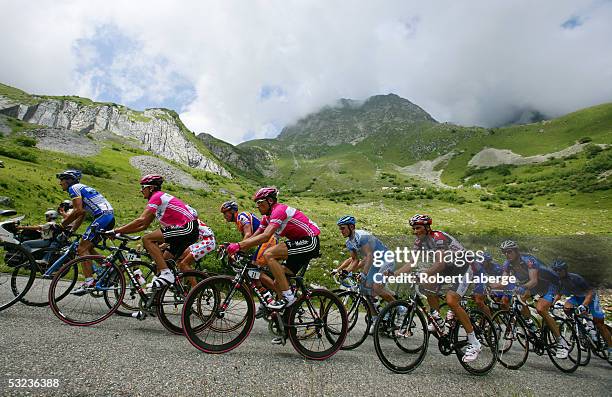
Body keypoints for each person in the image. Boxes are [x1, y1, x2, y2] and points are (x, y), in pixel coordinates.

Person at [394, 214, 481, 362]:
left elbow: (439, 264)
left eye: (418, 228)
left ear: (427, 228)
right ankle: (437, 319)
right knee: (426, 283)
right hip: (448, 268)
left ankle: (474, 343)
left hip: (464, 266)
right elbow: (411, 264)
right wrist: (392, 274)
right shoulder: (419, 242)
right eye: (414, 228)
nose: (415, 231)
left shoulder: (438, 237)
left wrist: (425, 273)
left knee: (451, 300)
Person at [227, 187, 320, 309]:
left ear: (270, 201)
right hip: (298, 242)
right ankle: (287, 315)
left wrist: (239, 245)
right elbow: (257, 235)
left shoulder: (279, 210)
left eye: (260, 203)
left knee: (269, 253)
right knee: (278, 281)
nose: (257, 206)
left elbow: (266, 236)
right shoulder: (267, 217)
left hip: (310, 240)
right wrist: (239, 248)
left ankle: (289, 298)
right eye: (256, 203)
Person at [109, 175, 198, 289]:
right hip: (186, 230)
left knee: (147, 239)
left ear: (151, 188)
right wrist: (120, 232)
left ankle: (167, 275)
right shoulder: (158, 199)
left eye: (143, 187)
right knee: (163, 262)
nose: (141, 190)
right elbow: (144, 225)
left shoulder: (157, 196)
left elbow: (140, 220)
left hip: (187, 227)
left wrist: (116, 230)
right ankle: (160, 296)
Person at [499, 240, 567, 359]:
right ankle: (530, 323)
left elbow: (534, 281)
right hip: (534, 285)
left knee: (540, 309)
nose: (506, 254)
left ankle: (561, 343)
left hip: (549, 284)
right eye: (504, 252)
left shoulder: (528, 260)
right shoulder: (507, 263)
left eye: (509, 252)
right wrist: (488, 286)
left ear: (516, 251)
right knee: (520, 300)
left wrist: (522, 287)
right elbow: (503, 282)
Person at [56, 169, 115, 295]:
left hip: (103, 216)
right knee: (88, 247)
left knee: (81, 249)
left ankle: (89, 282)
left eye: (61, 180)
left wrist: (62, 225)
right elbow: (81, 214)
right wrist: (71, 230)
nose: (60, 183)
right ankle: (109, 268)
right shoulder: (82, 188)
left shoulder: (74, 188)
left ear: (69, 180)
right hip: (107, 216)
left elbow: (77, 211)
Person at [220, 200, 276, 318]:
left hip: (268, 240)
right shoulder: (239, 222)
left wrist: (237, 251)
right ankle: (265, 298)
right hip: (263, 241)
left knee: (255, 268)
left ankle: (278, 291)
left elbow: (248, 236)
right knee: (252, 271)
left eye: (226, 213)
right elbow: (245, 242)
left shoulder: (242, 216)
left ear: (233, 211)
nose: (224, 216)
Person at [551, 259, 611, 363]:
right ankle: (580, 326)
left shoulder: (575, 278)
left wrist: (584, 305)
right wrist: (552, 303)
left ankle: (610, 348)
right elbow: (558, 294)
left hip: (590, 297)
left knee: (599, 323)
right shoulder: (558, 281)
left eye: (559, 270)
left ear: (565, 270)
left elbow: (590, 292)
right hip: (577, 297)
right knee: (566, 307)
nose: (557, 272)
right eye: (555, 270)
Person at [471, 252, 511, 317]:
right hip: (492, 286)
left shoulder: (497, 269)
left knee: (504, 302)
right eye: (480, 261)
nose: (481, 263)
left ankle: (510, 321)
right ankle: (490, 318)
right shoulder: (480, 268)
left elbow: (502, 282)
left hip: (504, 285)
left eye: (483, 261)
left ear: (488, 262)